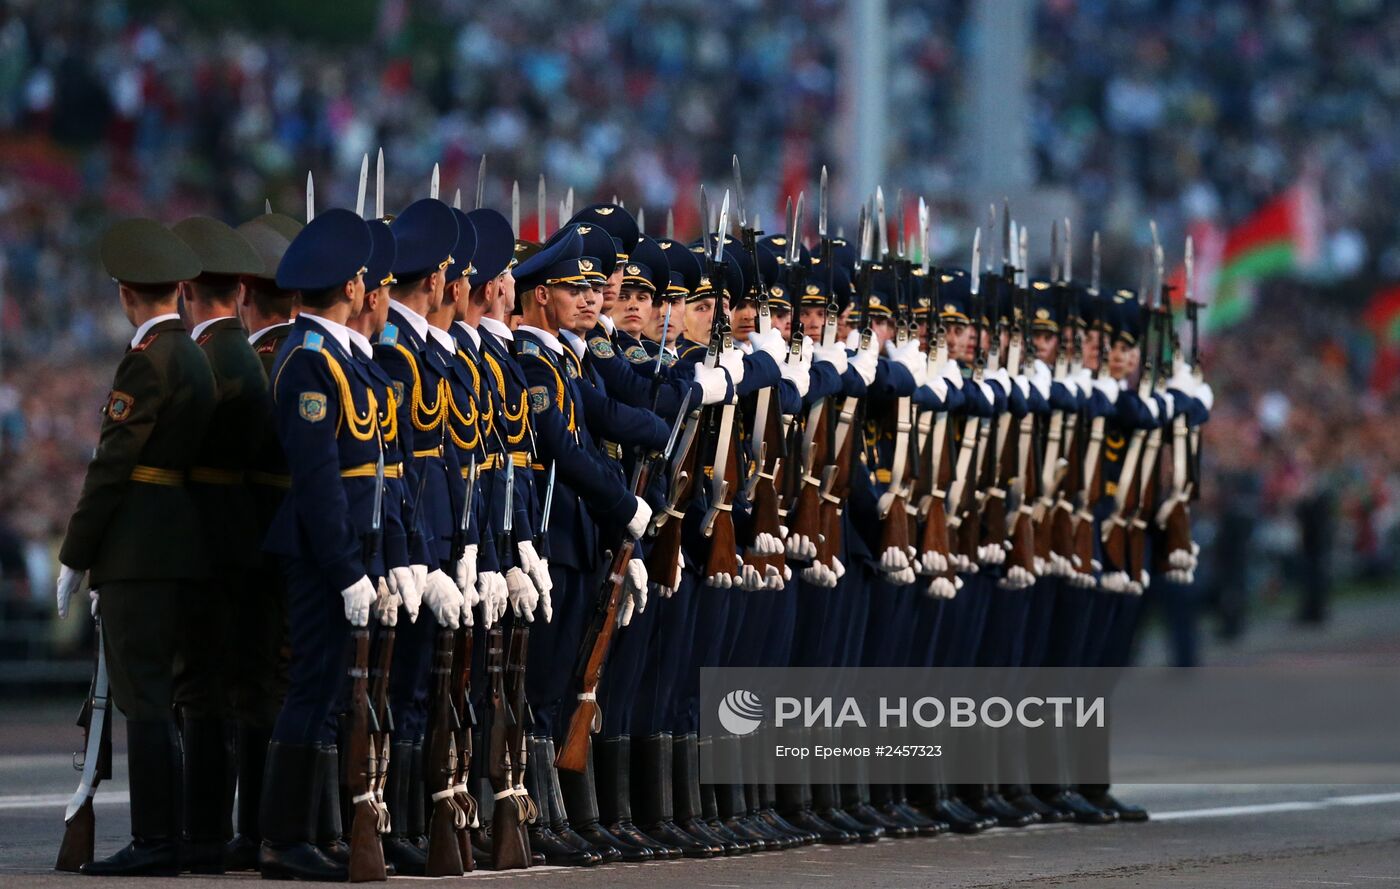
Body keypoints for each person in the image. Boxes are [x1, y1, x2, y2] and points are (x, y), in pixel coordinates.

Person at [55, 218, 214, 876]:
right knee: (166, 699)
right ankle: (173, 833)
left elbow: (112, 465)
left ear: (125, 294)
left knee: (144, 699)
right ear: (178, 289)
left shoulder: (148, 360)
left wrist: (75, 551)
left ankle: (155, 839)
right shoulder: (195, 357)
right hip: (181, 543)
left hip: (138, 551)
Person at [169, 215, 268, 873]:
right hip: (246, 539)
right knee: (245, 688)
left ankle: (205, 829)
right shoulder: (242, 354)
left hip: (205, 544)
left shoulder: (206, 357)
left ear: (184, 287)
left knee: (201, 690)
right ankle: (241, 826)